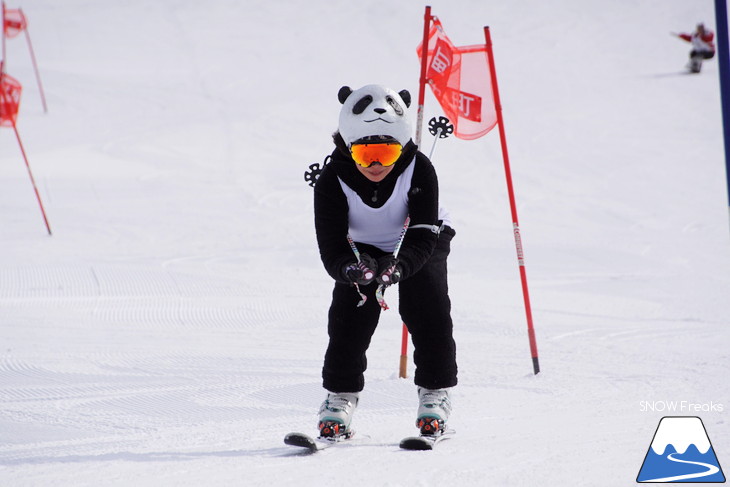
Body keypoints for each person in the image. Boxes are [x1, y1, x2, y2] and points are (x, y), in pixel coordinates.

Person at [312, 84, 458, 438]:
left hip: (419, 242)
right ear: (348, 147)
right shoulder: (331, 180)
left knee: (427, 307)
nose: (376, 163)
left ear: (403, 146)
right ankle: (340, 398)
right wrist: (352, 269)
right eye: (365, 154)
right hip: (359, 247)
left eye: (387, 152)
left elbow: (424, 234)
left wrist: (400, 267)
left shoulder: (419, 169)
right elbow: (331, 248)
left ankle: (435, 393)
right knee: (350, 318)